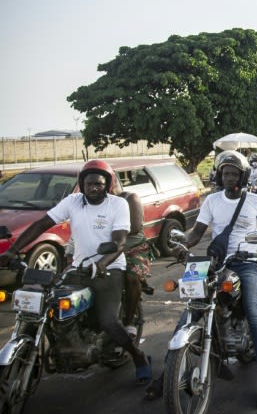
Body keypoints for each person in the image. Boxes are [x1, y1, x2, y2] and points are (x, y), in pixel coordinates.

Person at [0, 160, 151, 385]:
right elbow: (41, 224)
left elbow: (119, 241)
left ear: (107, 184)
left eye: (99, 184)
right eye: (89, 183)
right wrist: (13, 251)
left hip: (109, 269)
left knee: (108, 320)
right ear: (81, 184)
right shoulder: (73, 202)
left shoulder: (117, 204)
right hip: (78, 268)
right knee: (48, 304)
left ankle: (138, 358)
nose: (93, 188)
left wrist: (102, 263)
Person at [145, 150, 257, 406]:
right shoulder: (212, 201)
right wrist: (181, 247)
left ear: (243, 175)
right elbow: (196, 233)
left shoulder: (255, 201)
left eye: (234, 173)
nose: (229, 178)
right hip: (214, 262)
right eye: (225, 173)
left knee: (254, 313)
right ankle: (167, 375)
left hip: (245, 263)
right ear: (219, 175)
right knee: (189, 312)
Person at [112, 179, 152, 339]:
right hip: (105, 250)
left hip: (132, 250)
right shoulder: (92, 204)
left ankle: (129, 322)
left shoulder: (130, 199)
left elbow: (134, 227)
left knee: (131, 276)